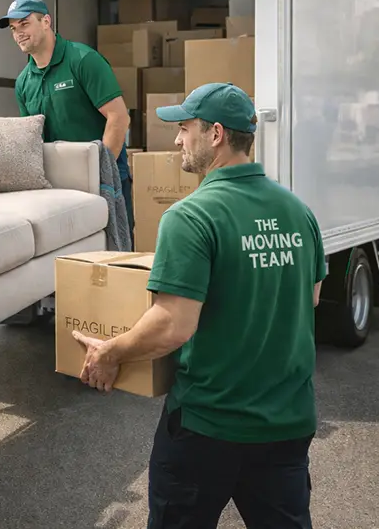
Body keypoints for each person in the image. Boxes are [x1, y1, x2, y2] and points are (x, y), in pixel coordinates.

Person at [72, 82, 325, 529]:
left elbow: (172, 325)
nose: (176, 140)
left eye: (185, 128)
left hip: (210, 426)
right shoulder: (298, 211)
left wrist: (110, 352)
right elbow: (309, 300)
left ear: (216, 135)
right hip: (288, 422)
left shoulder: (192, 216)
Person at [0, 0, 133, 241]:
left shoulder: (82, 60)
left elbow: (119, 118)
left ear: (46, 21)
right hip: (59, 186)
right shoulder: (23, 82)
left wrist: (100, 173)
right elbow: (30, 139)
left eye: (25, 24)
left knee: (115, 252)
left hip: (104, 178)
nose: (18, 33)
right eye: (13, 28)